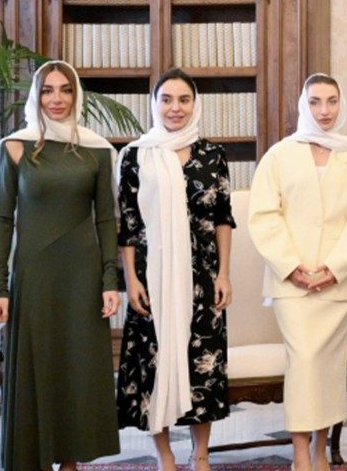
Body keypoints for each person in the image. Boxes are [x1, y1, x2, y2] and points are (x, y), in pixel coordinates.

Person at [0, 60, 121, 470]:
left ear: (76, 95)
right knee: (38, 368)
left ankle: (71, 463)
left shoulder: (97, 150)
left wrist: (109, 280)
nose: (57, 99)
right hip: (33, 277)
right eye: (48, 90)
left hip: (83, 278)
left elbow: (106, 219)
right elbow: (2, 219)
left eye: (65, 90)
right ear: (36, 95)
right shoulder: (14, 147)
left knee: (77, 370)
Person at [247, 73, 347, 471]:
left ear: (341, 104)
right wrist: (293, 268)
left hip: (337, 283)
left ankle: (321, 447)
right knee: (304, 362)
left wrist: (334, 268)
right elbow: (264, 216)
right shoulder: (279, 156)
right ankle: (301, 452)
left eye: (332, 101)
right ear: (303, 105)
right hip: (293, 283)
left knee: (329, 369)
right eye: (316, 101)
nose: (324, 110)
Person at [116, 68, 235, 471]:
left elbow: (223, 218)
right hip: (152, 278)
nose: (175, 108)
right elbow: (127, 224)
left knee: (204, 362)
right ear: (154, 104)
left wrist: (224, 274)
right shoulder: (136, 155)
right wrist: (131, 279)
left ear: (195, 104)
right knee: (154, 362)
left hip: (203, 278)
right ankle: (164, 454)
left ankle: (200, 453)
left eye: (184, 100)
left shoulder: (212, 155)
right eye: (166, 99)